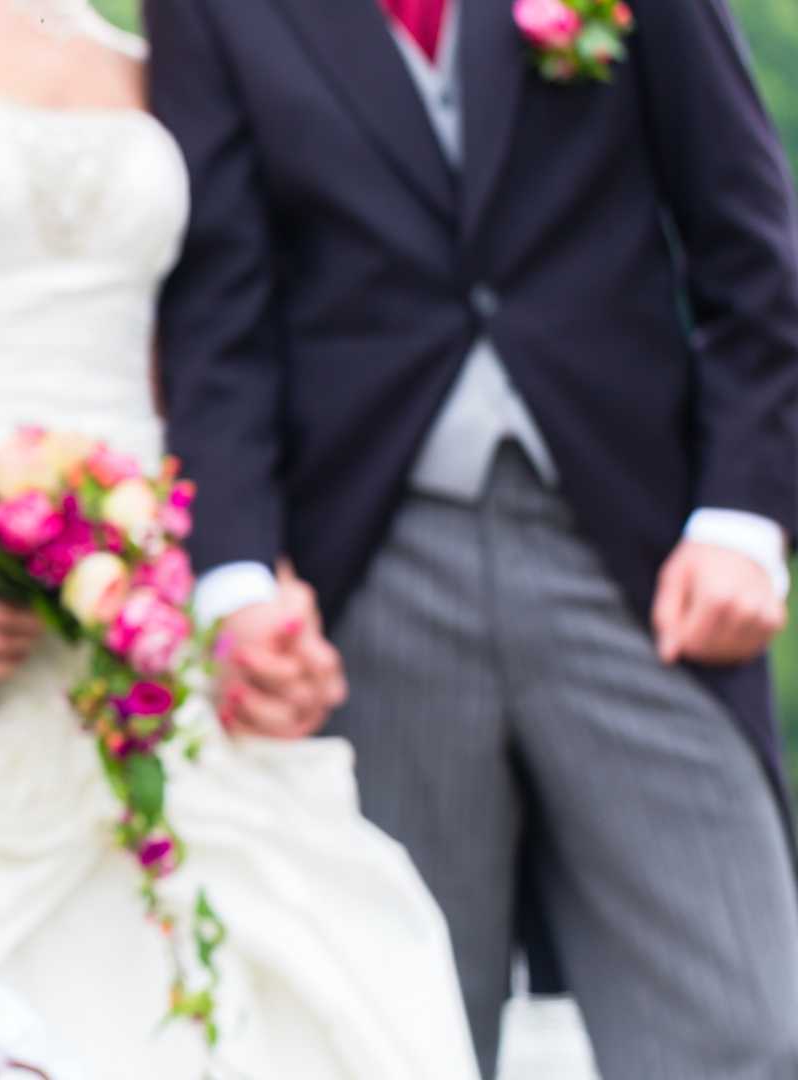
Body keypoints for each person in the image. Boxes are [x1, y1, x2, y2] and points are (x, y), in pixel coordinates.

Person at [0, 1, 479, 1076]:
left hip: (144, 583)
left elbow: (204, 365)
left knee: (284, 938)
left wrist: (259, 587)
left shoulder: (160, 53)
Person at [146, 0, 798, 1075]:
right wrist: (235, 578)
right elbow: (218, 311)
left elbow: (750, 240)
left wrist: (743, 518)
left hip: (638, 558)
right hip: (370, 571)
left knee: (741, 1026)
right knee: (409, 1036)